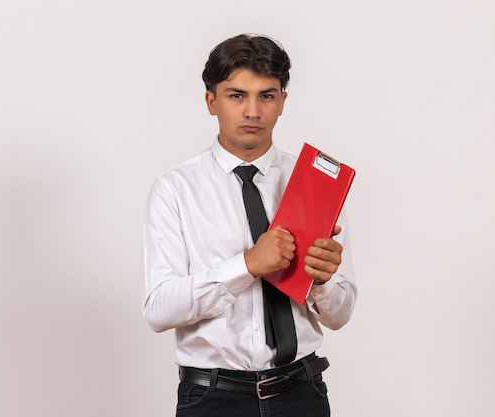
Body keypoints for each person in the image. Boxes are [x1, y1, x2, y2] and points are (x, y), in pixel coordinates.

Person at [140, 33, 357, 417]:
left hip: (302, 393)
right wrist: (247, 265)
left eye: (267, 95)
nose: (252, 111)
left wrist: (322, 281)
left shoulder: (315, 184)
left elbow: (339, 316)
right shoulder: (175, 188)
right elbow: (159, 308)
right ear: (212, 101)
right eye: (237, 95)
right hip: (213, 399)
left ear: (282, 102)